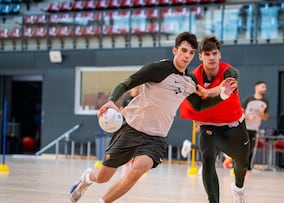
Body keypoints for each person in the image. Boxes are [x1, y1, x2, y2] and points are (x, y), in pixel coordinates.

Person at [69, 32, 237, 203]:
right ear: (175, 50)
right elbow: (126, 83)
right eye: (184, 51)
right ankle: (86, 178)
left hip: (156, 138)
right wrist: (112, 101)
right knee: (102, 177)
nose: (187, 56)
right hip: (131, 130)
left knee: (136, 172)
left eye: (191, 52)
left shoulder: (189, 81)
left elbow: (200, 105)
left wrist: (222, 95)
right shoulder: (157, 69)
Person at [180, 35, 249, 203]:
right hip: (209, 126)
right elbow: (193, 103)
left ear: (220, 55)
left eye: (215, 53)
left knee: (242, 164)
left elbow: (227, 85)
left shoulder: (230, 71)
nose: (211, 57)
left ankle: (238, 189)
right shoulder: (194, 77)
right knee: (208, 159)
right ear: (200, 56)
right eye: (207, 54)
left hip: (234, 126)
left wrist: (209, 92)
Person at [242, 81, 269, 170]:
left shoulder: (265, 102)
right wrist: (248, 117)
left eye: (265, 87)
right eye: (263, 87)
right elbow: (240, 112)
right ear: (256, 87)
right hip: (245, 127)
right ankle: (240, 164)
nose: (265, 89)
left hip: (254, 128)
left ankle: (248, 166)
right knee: (244, 147)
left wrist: (262, 114)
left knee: (251, 148)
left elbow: (265, 117)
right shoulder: (248, 100)